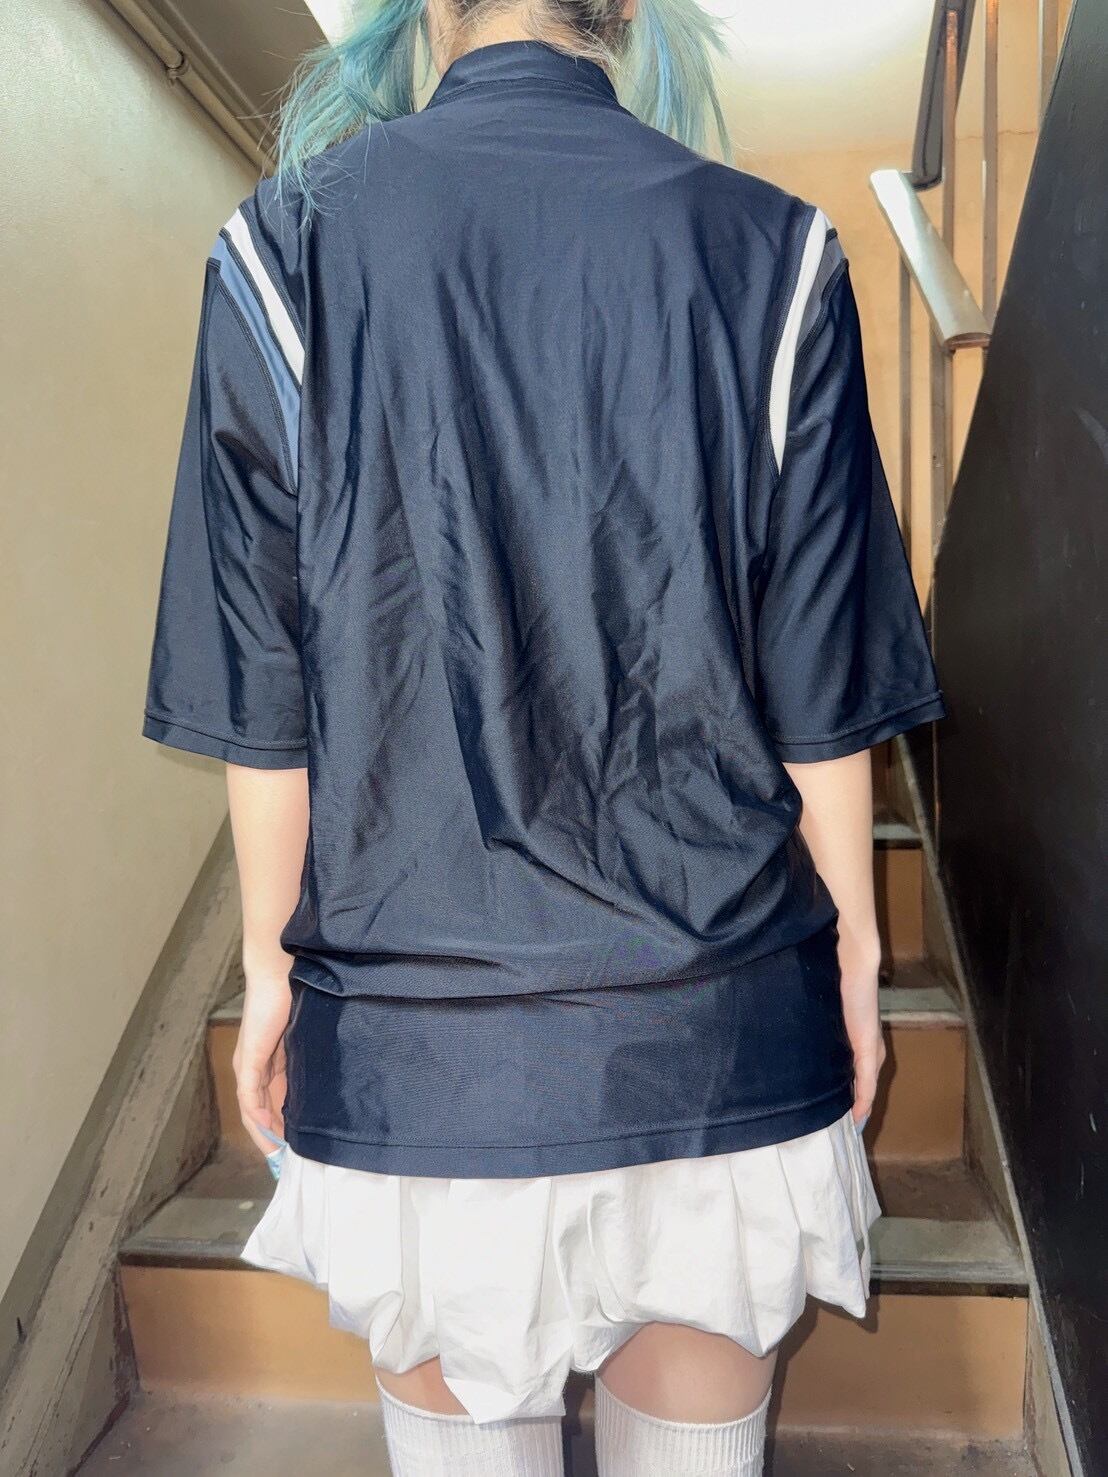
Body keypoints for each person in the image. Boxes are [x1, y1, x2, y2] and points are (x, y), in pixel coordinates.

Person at [141, 0, 945, 1468]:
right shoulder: (777, 253)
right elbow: (823, 686)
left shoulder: (281, 250)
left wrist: (267, 972)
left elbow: (266, 698)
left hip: (419, 1053)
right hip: (719, 1036)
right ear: (625, 9)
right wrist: (854, 955)